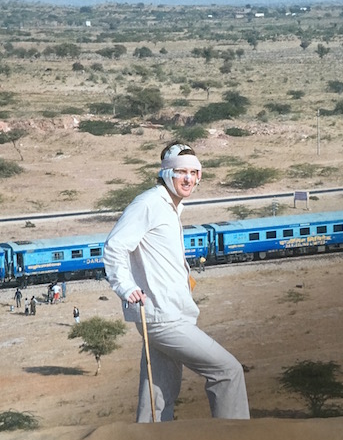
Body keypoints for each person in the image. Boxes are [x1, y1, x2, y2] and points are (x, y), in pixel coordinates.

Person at [103, 142, 250, 423]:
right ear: (166, 173)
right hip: (164, 318)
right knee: (228, 371)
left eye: (194, 172)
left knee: (156, 398)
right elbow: (114, 246)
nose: (188, 179)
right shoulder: (149, 204)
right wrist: (126, 287)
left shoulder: (171, 208)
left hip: (169, 314)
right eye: (181, 172)